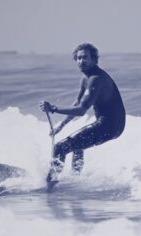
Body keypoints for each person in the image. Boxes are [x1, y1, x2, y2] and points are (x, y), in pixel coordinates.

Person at [39, 43, 126, 186]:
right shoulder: (85, 78)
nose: (81, 61)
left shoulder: (96, 78)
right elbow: (77, 103)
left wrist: (53, 108)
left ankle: (50, 184)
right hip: (111, 125)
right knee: (77, 146)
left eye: (85, 58)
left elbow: (81, 110)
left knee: (60, 148)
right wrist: (61, 125)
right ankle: (75, 180)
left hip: (109, 126)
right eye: (78, 58)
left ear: (94, 59)